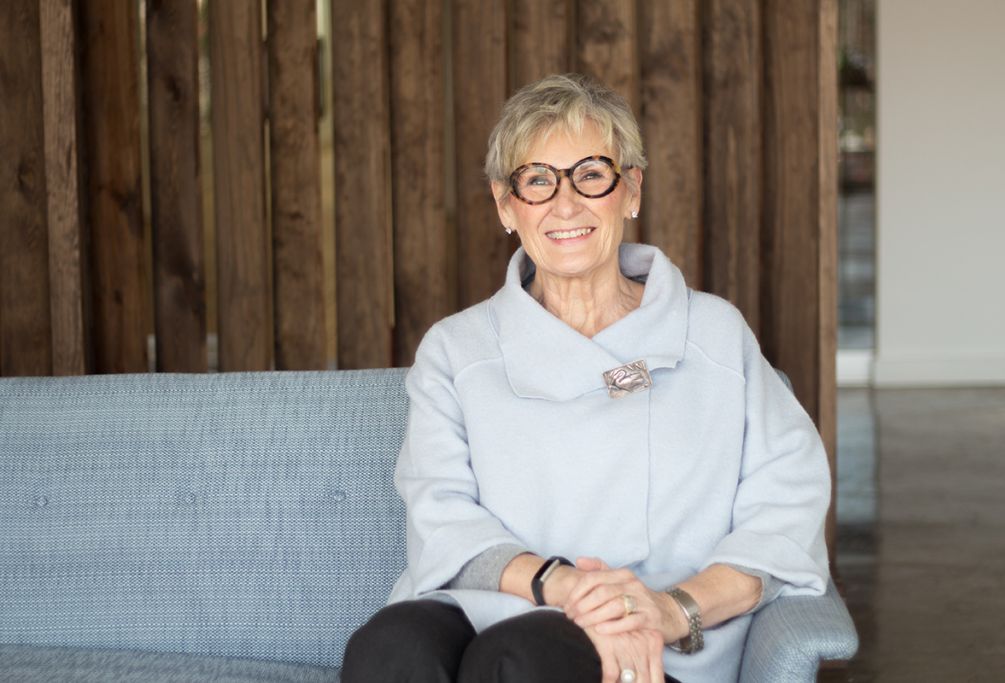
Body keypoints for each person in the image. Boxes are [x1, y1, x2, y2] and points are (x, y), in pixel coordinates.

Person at [341, 73, 830, 683]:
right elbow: (441, 516)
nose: (564, 205)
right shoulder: (455, 350)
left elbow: (786, 510)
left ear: (631, 189)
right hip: (488, 608)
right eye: (537, 181)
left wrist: (668, 609)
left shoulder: (714, 336)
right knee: (389, 648)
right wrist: (562, 583)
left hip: (650, 641)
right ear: (505, 204)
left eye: (591, 174)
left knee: (520, 658)